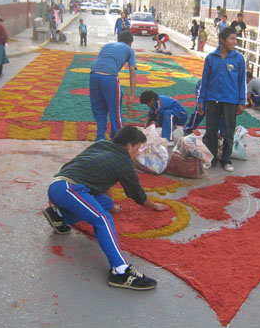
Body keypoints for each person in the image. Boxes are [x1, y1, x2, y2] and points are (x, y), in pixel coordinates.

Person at [43, 126, 167, 289]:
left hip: (59, 185)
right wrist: (154, 206)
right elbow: (138, 195)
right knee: (102, 219)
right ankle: (121, 272)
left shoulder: (101, 145)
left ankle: (58, 216)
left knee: (107, 205)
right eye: (138, 148)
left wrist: (111, 205)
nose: (137, 153)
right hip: (70, 189)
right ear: (129, 146)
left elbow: (102, 179)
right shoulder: (124, 161)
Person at [197, 27, 246, 172]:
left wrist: (241, 101)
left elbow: (242, 81)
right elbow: (204, 81)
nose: (234, 42)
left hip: (230, 100)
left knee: (228, 131)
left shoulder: (238, 58)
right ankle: (211, 159)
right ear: (222, 40)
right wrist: (201, 100)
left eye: (235, 39)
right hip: (212, 99)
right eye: (232, 39)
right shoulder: (211, 58)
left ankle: (226, 160)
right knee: (211, 130)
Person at [90, 30, 136, 141]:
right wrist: (132, 95)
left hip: (94, 75)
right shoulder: (129, 50)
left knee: (99, 109)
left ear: (118, 40)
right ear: (130, 43)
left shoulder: (107, 45)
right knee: (115, 110)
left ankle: (100, 138)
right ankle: (117, 140)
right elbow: (132, 72)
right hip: (109, 77)